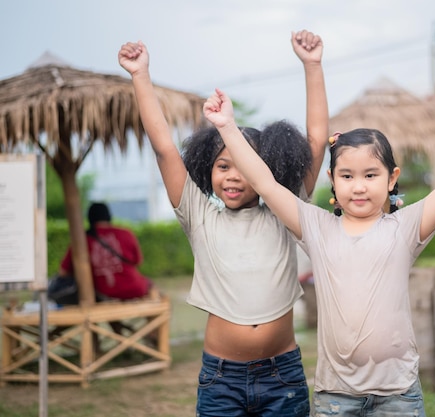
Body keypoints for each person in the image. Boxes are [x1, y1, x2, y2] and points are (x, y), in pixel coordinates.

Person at [203, 88, 435, 416]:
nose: (358, 186)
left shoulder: (405, 228)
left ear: (392, 179)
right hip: (336, 396)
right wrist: (228, 127)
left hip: (398, 394)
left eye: (370, 175)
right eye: (346, 176)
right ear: (332, 179)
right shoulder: (315, 228)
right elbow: (264, 181)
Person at [118, 29, 328, 417]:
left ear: (264, 170)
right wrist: (140, 76)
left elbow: (316, 144)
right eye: (222, 165)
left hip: (282, 377)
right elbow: (165, 149)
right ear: (207, 170)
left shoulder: (286, 212)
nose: (232, 176)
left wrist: (312, 66)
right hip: (221, 379)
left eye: (243, 166)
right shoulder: (198, 214)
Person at [58, 202, 153, 302]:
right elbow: (138, 261)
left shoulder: (82, 240)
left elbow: (63, 272)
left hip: (103, 294)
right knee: (151, 286)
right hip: (135, 289)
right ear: (109, 216)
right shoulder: (125, 233)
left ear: (89, 218)